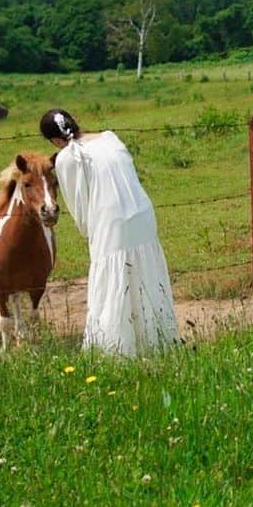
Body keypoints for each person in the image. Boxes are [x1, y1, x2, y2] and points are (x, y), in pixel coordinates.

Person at [39, 108, 178, 356]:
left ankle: (115, 350)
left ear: (55, 141)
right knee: (144, 275)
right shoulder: (110, 137)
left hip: (110, 220)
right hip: (142, 213)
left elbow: (79, 206)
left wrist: (89, 230)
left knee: (114, 279)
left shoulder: (67, 158)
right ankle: (157, 342)